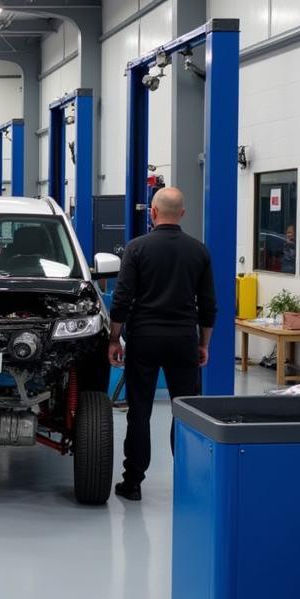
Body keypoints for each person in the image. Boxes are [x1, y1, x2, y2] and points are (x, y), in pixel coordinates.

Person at [108, 186, 217, 501]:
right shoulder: (199, 251)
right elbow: (209, 304)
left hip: (144, 338)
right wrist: (203, 343)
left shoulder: (136, 248)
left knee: (139, 411)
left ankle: (133, 482)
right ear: (182, 213)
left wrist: (115, 339)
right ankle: (188, 482)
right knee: (186, 412)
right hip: (184, 339)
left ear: (152, 213)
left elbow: (122, 299)